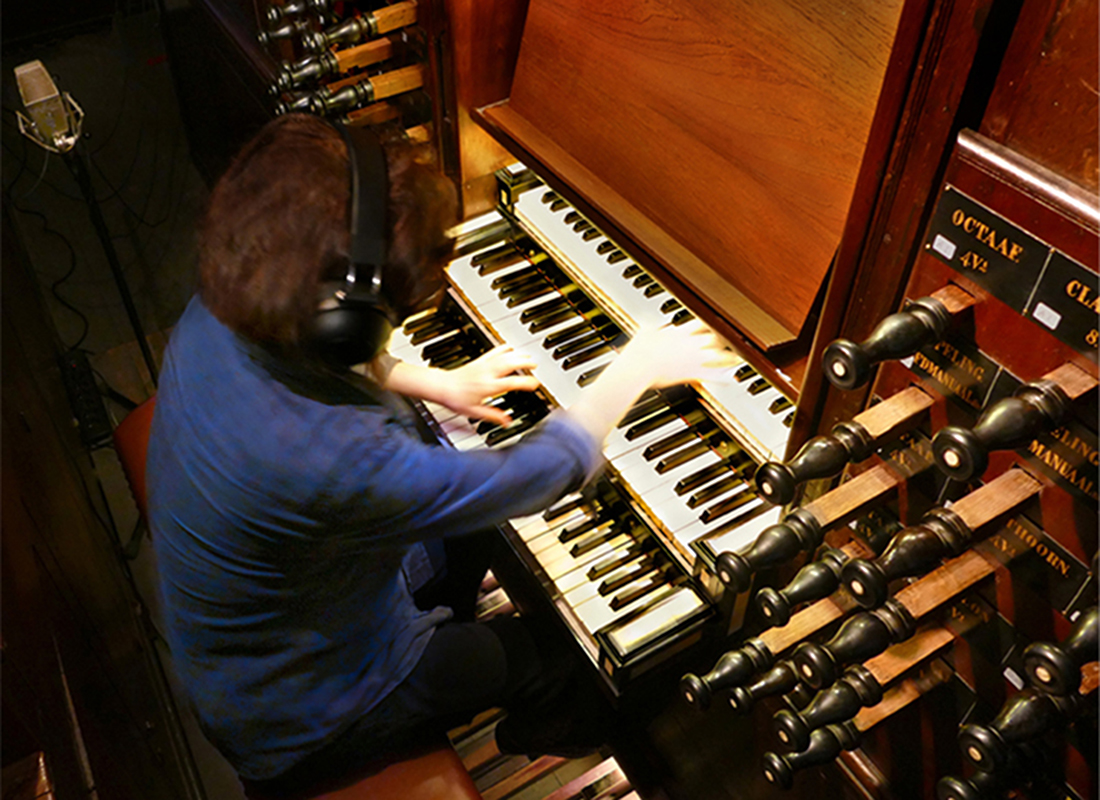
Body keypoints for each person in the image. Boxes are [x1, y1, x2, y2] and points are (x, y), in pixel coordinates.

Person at [147, 113, 735, 796]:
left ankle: (450, 610)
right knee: (573, 657)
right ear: (352, 320)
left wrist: (435, 381)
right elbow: (539, 474)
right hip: (305, 711)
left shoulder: (220, 308)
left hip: (267, 633)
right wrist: (637, 365)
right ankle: (541, 732)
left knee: (461, 490)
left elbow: (320, 350)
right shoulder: (334, 458)